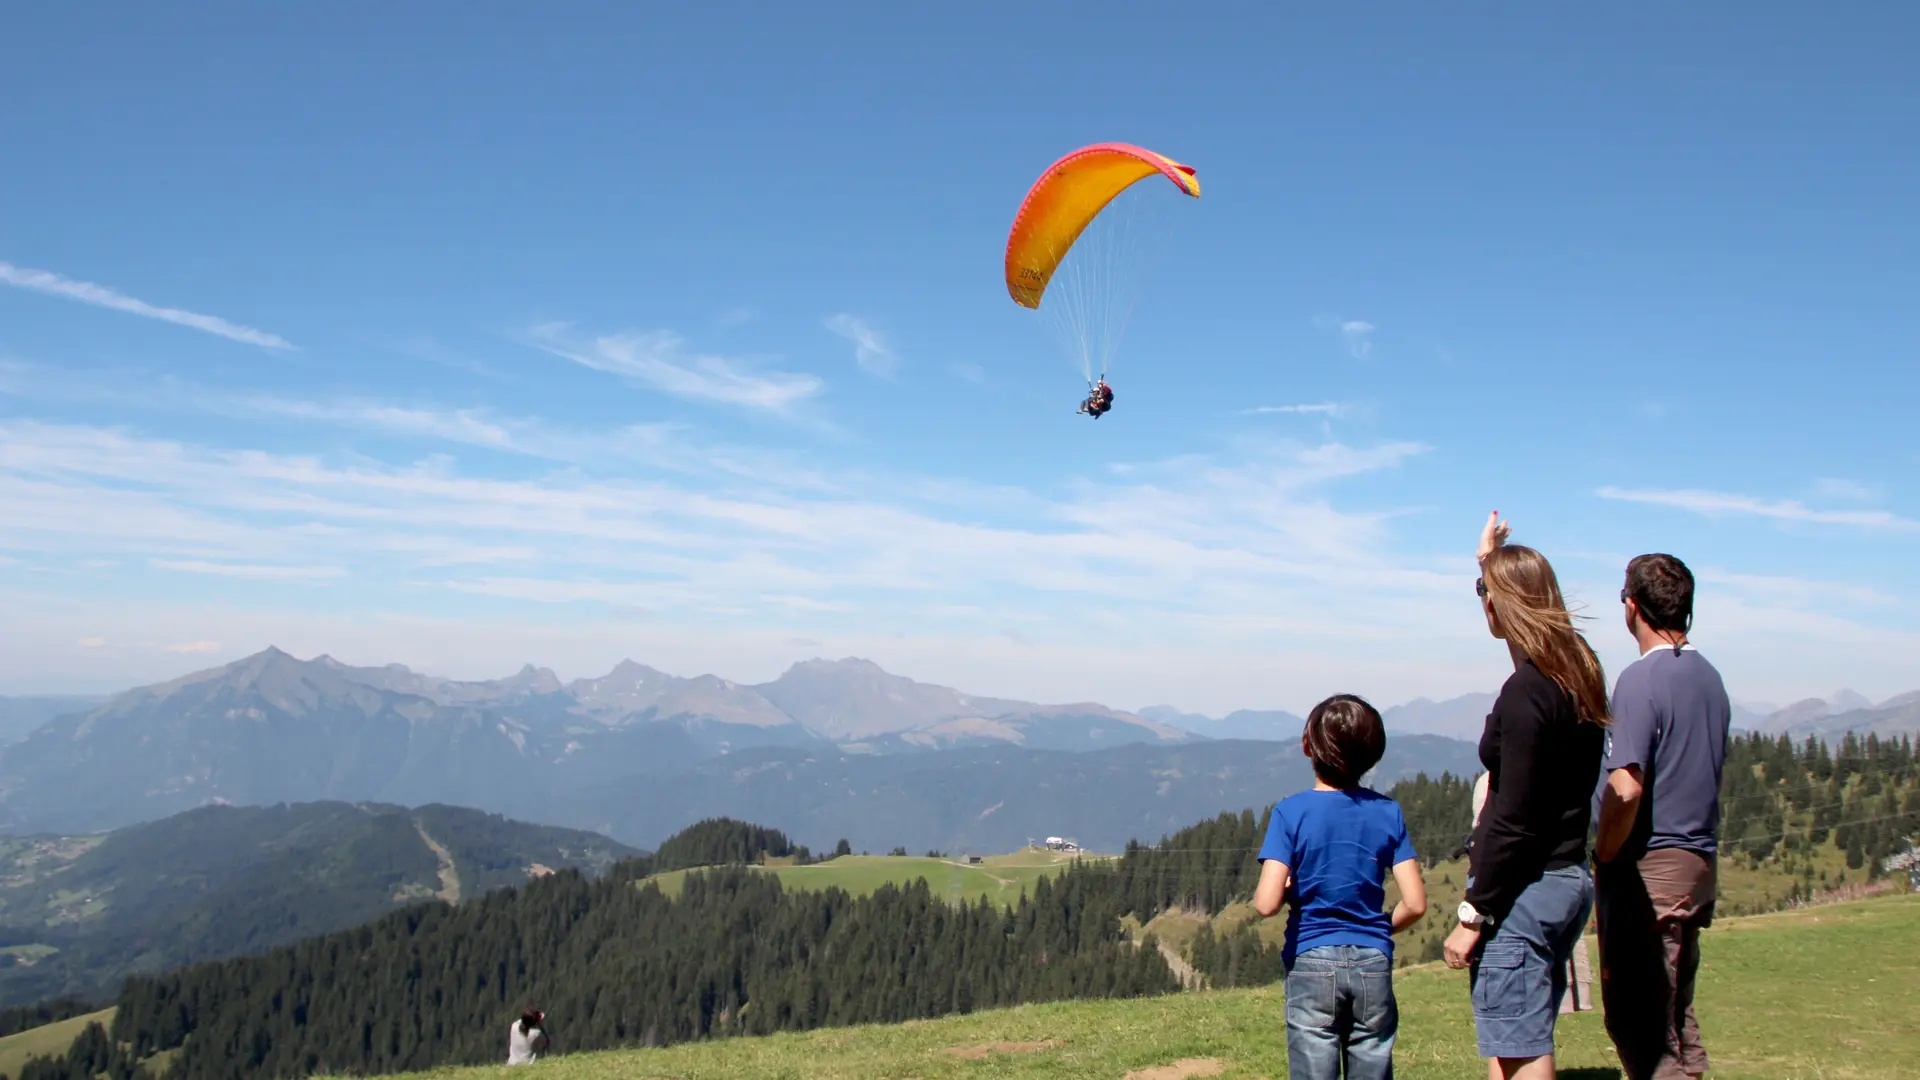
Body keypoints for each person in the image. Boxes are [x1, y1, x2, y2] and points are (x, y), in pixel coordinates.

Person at [1444, 512, 1608, 1080]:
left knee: (1522, 1052)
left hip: (1522, 892)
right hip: (1566, 880)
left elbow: (1511, 820)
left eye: (1490, 599)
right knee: (1513, 1040)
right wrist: (1486, 565)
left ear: (1501, 608)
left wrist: (1474, 912)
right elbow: (1522, 638)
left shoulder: (1522, 698)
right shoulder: (1578, 672)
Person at [1594, 553, 1731, 1080]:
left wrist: (1605, 851)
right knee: (1676, 1015)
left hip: (1649, 872)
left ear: (1632, 607)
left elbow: (1625, 788)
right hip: (1699, 865)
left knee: (1641, 1026)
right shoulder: (1710, 679)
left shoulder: (1640, 680)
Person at [1253, 693, 1428, 1080]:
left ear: (1306, 747)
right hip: (1373, 962)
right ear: (1374, 753)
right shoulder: (1389, 812)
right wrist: (1380, 927)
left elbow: (1265, 904)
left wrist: (1283, 885)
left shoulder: (1290, 813)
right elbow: (1415, 903)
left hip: (1311, 959)